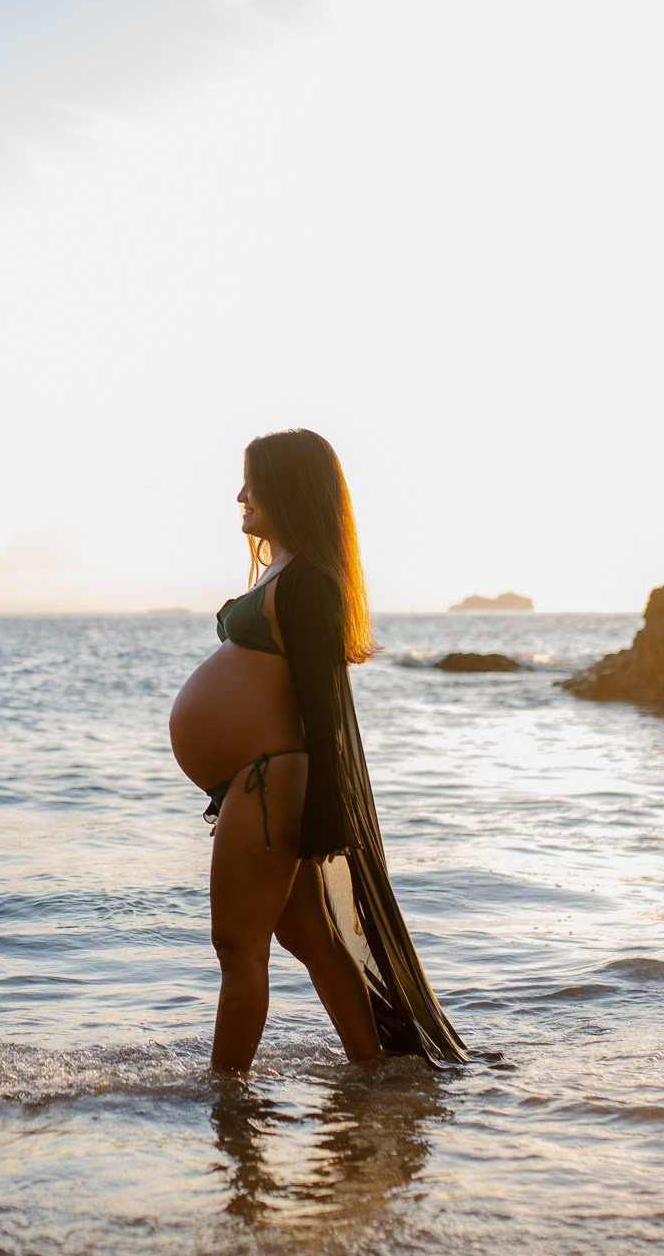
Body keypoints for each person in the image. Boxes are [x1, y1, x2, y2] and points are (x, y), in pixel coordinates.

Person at [168, 428, 467, 1072]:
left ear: (288, 488)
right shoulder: (281, 568)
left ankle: (227, 1098)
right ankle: (374, 1070)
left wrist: (330, 817)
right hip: (260, 782)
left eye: (253, 481)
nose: (240, 494)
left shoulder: (308, 584)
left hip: (271, 784)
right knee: (311, 936)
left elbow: (324, 705)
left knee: (237, 947)